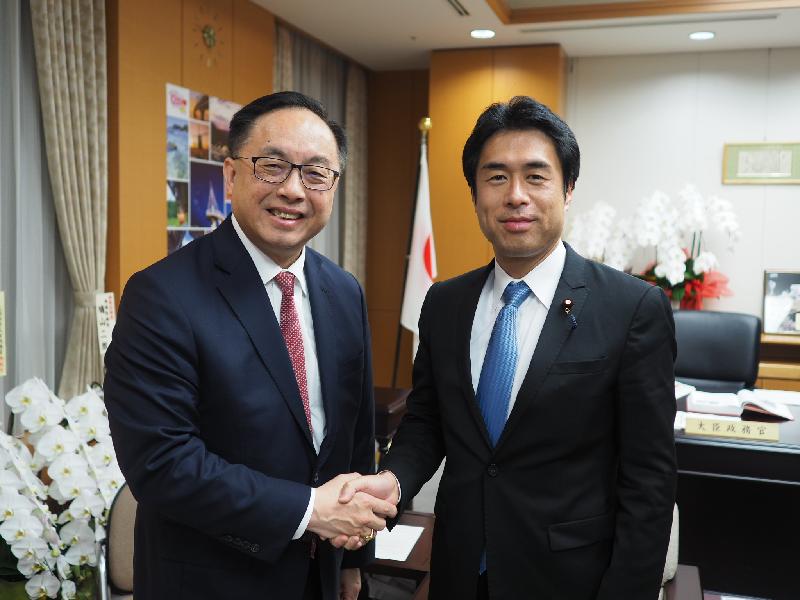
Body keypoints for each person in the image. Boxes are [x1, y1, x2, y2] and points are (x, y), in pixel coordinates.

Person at [338, 96, 677, 599]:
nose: (516, 195)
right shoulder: (445, 302)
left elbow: (649, 481)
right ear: (476, 194)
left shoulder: (631, 307)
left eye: (536, 177)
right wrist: (395, 479)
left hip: (570, 578)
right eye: (496, 177)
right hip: (457, 568)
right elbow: (429, 420)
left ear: (568, 190)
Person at [104, 91, 395, 600]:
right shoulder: (161, 295)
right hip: (210, 580)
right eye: (272, 165)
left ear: (334, 186)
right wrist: (310, 511)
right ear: (231, 174)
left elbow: (353, 438)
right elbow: (162, 462)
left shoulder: (343, 291)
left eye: (315, 173)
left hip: (320, 577)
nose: (293, 190)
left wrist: (352, 560)